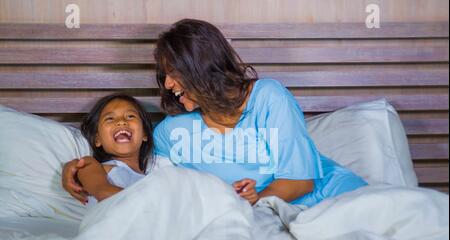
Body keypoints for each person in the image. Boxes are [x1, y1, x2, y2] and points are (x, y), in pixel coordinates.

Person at [62, 19, 367, 207]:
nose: (167, 84)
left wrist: (255, 201)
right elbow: (134, 166)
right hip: (262, 219)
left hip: (332, 198)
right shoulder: (174, 131)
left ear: (201, 68)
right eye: (164, 74)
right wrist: (79, 167)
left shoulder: (267, 97)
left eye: (174, 73)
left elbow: (300, 182)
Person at [73, 93, 155, 205]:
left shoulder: (153, 179)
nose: (121, 121)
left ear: (144, 134)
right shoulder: (92, 166)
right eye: (110, 118)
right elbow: (103, 192)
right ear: (97, 139)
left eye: (130, 116)